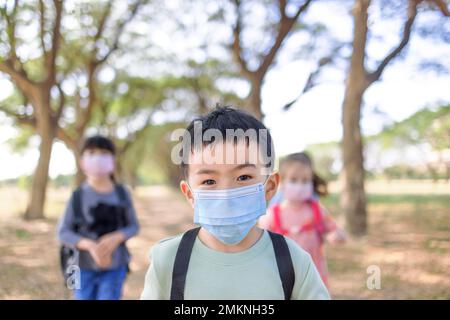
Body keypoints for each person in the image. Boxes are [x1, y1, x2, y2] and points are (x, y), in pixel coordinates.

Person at [141, 106, 330, 300]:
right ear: (190, 194)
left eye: (243, 177)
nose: (226, 194)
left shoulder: (294, 261)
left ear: (270, 187)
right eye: (209, 181)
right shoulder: (167, 260)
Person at [57, 135, 140, 300]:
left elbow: (134, 226)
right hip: (82, 268)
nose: (97, 157)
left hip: (116, 267)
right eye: (92, 152)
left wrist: (117, 237)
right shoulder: (78, 196)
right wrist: (89, 245)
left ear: (113, 160)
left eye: (103, 152)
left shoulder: (122, 193)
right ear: (82, 161)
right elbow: (63, 232)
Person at [260, 152, 346, 286]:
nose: (300, 185)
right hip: (284, 280)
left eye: (305, 180)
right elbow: (260, 244)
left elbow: (333, 230)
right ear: (280, 182)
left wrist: (336, 235)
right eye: (294, 180)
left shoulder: (317, 211)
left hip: (315, 277)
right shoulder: (272, 215)